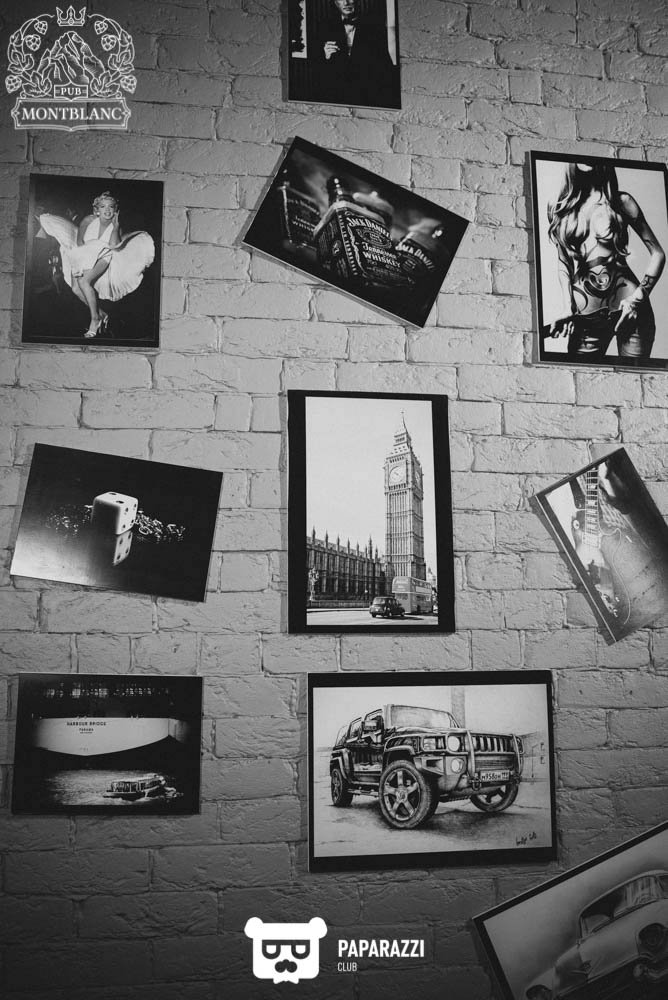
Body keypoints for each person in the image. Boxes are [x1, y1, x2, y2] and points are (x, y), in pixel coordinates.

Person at [547, 161, 665, 360]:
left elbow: (658, 254)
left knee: (635, 378)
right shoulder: (559, 206)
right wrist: (567, 308)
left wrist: (637, 300)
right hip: (586, 320)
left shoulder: (621, 202)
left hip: (631, 312)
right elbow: (563, 262)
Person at [39, 192, 155, 338]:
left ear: (116, 209)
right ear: (97, 209)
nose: (107, 210)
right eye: (103, 206)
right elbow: (79, 241)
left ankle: (94, 320)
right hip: (84, 255)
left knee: (84, 282)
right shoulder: (88, 220)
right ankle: (102, 314)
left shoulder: (116, 225)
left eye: (111, 207)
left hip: (104, 257)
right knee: (76, 289)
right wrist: (81, 259)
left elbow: (113, 245)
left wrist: (116, 227)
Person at [317, 0, 397, 108]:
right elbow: (317, 68)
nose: (346, 3)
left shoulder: (374, 26)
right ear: (335, 2)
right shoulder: (325, 26)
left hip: (368, 96)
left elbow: (385, 65)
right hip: (336, 97)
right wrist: (326, 56)